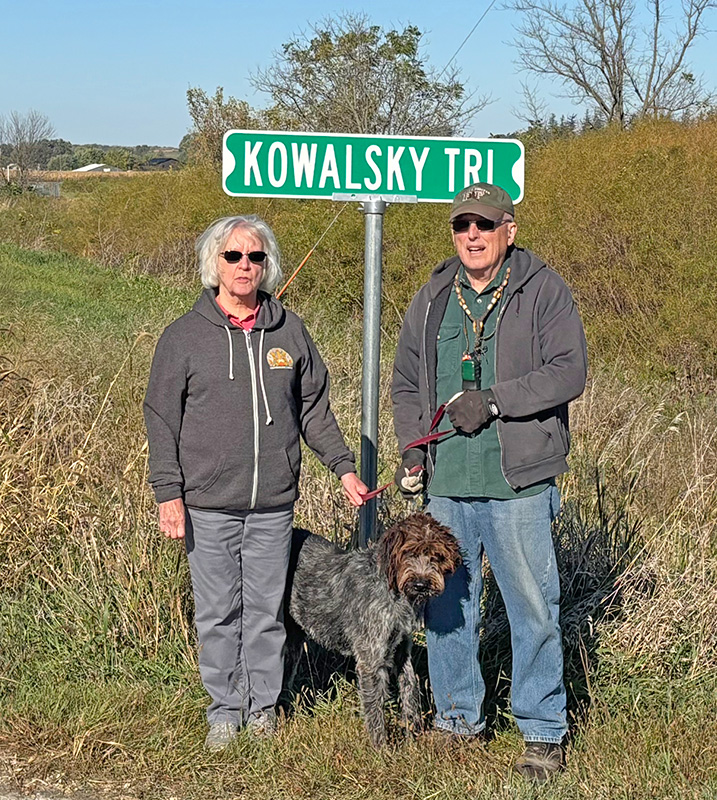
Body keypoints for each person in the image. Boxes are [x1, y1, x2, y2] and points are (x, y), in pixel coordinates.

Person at [143, 214, 367, 751]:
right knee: (219, 610)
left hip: (272, 505)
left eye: (256, 257)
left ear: (267, 266)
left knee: (267, 612)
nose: (245, 266)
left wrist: (344, 467)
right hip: (207, 503)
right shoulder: (184, 337)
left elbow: (313, 410)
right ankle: (225, 709)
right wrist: (168, 493)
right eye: (234, 256)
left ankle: (263, 707)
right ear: (214, 264)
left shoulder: (288, 331)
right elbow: (160, 417)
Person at [391, 182, 587, 782]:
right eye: (461, 225)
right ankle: (456, 723)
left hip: (518, 482)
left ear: (509, 229)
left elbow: (568, 372)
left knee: (533, 606)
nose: (471, 235)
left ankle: (541, 731)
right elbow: (405, 382)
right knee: (449, 609)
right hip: (447, 481)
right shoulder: (431, 298)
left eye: (483, 224)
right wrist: (413, 450)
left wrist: (495, 402)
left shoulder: (544, 291)